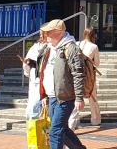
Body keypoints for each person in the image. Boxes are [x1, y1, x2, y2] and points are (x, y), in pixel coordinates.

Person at [38, 19, 86, 149]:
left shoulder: (71, 48)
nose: (46, 34)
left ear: (58, 32)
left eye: (49, 32)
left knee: (55, 132)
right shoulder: (49, 48)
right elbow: (44, 72)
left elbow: (78, 74)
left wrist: (79, 97)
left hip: (65, 97)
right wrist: (44, 95)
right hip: (52, 96)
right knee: (62, 130)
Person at [69, 27, 101, 129]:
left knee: (77, 97)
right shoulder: (94, 47)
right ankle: (95, 119)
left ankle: (74, 122)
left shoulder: (77, 44)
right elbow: (97, 63)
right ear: (93, 35)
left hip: (75, 74)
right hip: (88, 75)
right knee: (92, 96)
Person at [21, 27, 48, 119]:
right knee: (38, 98)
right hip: (41, 75)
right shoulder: (50, 46)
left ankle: (31, 119)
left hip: (34, 75)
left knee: (33, 98)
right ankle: (34, 119)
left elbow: (26, 64)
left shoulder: (35, 46)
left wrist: (27, 72)